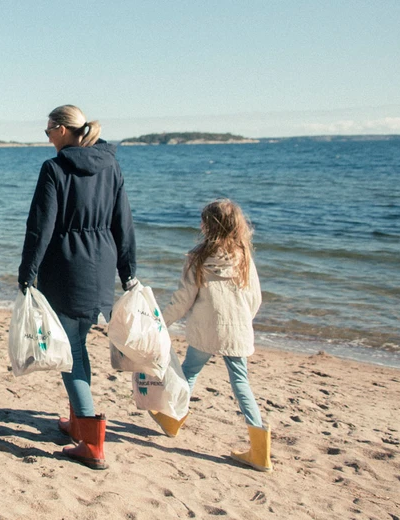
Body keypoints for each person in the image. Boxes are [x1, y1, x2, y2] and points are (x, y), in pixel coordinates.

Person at [18, 105, 136, 470]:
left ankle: (92, 443)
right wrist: (128, 271)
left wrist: (27, 272)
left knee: (71, 353)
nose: (47, 135)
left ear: (64, 130)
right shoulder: (110, 165)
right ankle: (75, 422)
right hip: (100, 267)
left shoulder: (54, 168)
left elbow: (41, 226)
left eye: (49, 129)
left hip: (66, 268)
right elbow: (123, 223)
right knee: (78, 343)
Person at [157, 199, 269, 472]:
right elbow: (255, 298)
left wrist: (161, 323)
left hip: (206, 328)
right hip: (236, 330)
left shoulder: (198, 258)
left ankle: (173, 419)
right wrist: (243, 322)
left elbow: (183, 300)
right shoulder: (244, 257)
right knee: (240, 382)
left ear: (207, 226)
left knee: (189, 372)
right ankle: (260, 451)